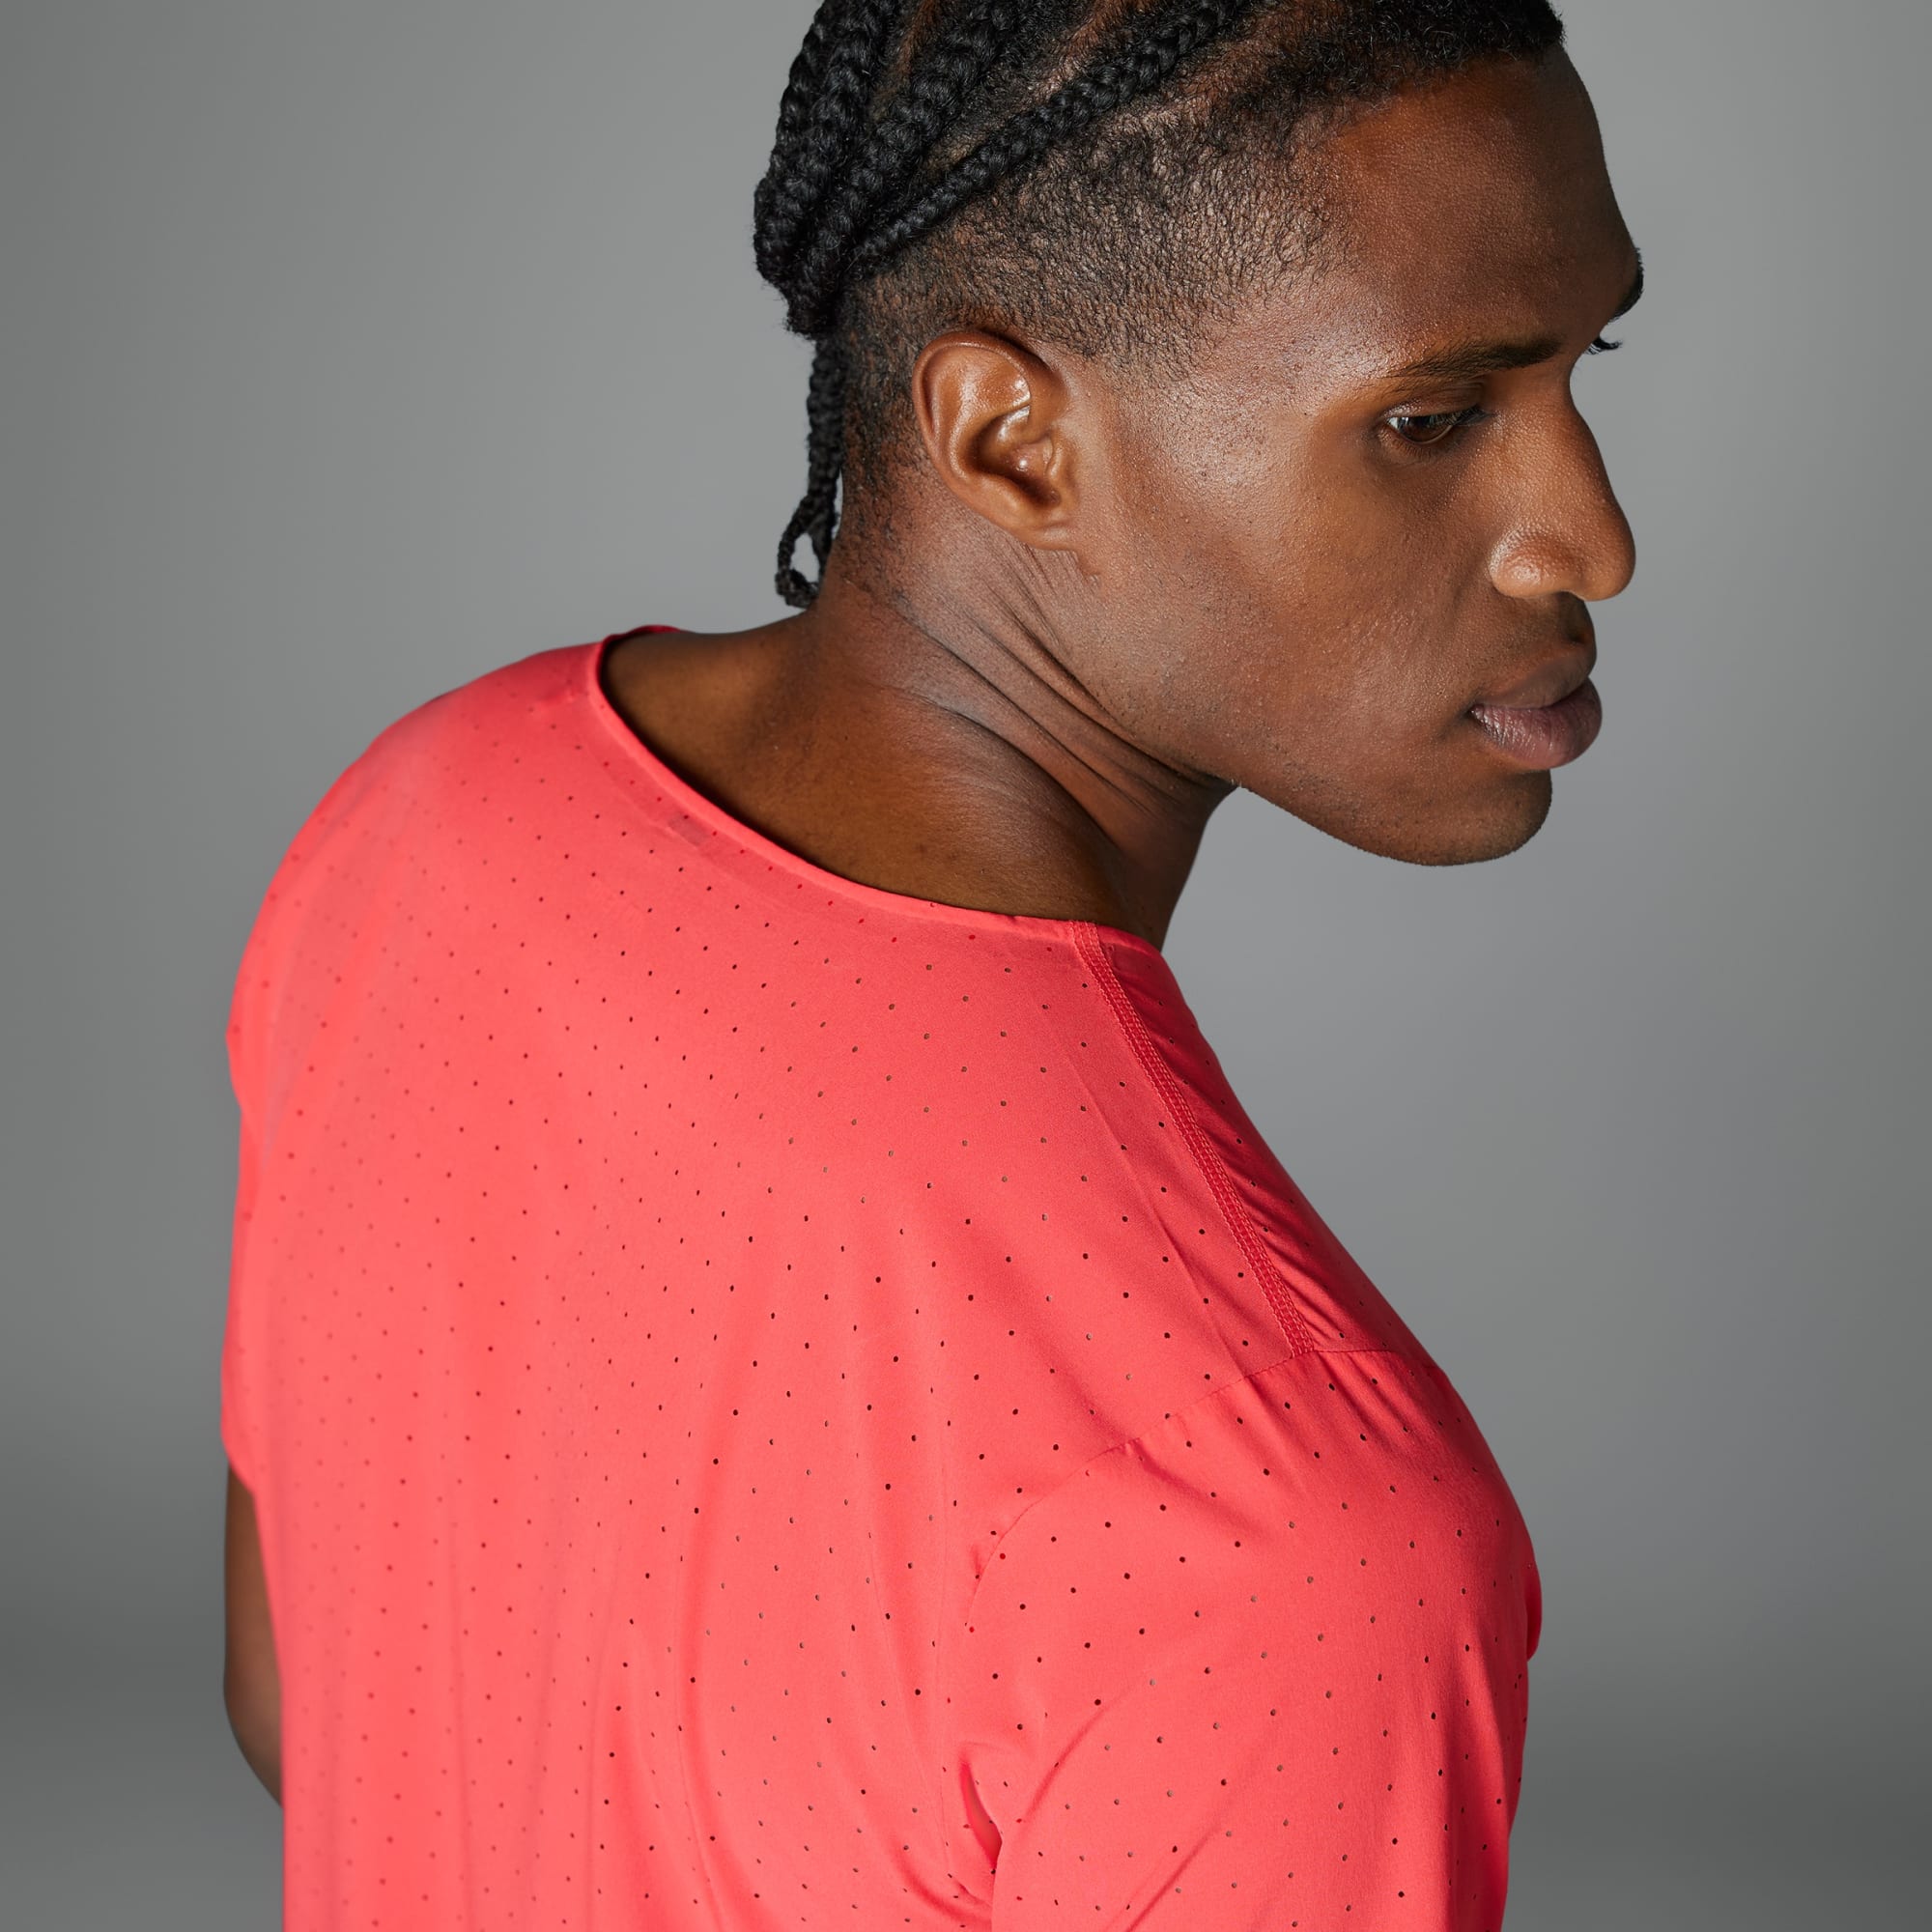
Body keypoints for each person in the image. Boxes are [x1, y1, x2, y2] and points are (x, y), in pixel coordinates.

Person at [220, 2, 1640, 1925]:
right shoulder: (1296, 1527)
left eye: (1585, 366)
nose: (1588, 539)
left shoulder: (424, 820)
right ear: (1011, 441)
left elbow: (315, 1705)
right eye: (1434, 419)